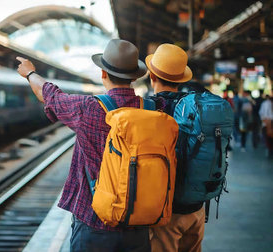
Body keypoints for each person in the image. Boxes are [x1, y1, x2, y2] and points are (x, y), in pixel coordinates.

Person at [16, 39, 150, 251]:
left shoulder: (89, 108)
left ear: (103, 74)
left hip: (94, 223)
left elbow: (49, 95)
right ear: (134, 77)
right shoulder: (152, 109)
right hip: (139, 222)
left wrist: (30, 74)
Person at [146, 44, 205, 252]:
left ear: (152, 76)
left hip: (166, 210)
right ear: (181, 80)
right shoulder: (196, 107)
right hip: (197, 208)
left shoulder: (148, 109)